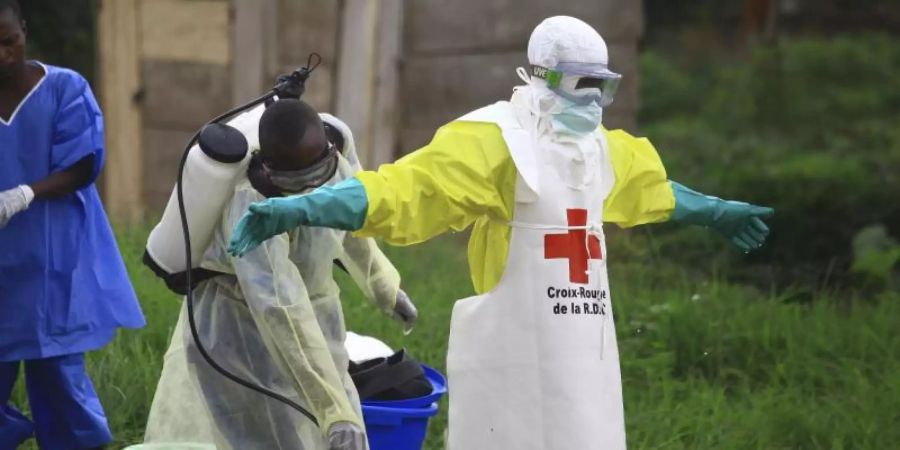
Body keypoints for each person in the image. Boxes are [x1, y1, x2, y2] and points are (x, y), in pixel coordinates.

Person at [227, 16, 774, 450]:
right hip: (513, 358)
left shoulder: (602, 150)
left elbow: (653, 191)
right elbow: (403, 189)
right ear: (544, 76)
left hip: (586, 360)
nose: (593, 102)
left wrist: (715, 211)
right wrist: (304, 208)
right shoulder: (495, 141)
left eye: (603, 88)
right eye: (583, 85)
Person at [146, 99, 417, 450]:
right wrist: (335, 412)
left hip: (316, 315)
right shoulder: (251, 206)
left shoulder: (336, 149)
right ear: (268, 169)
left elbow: (348, 218)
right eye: (297, 181)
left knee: (331, 428)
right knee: (271, 438)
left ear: (328, 147)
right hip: (240, 332)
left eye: (317, 174)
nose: (310, 189)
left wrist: (383, 285)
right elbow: (280, 308)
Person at [0, 1, 146, 449]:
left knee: (58, 374)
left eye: (9, 41)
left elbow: (83, 165)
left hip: (52, 257)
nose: (2, 54)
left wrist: (24, 194)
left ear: (23, 31)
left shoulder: (64, 88)